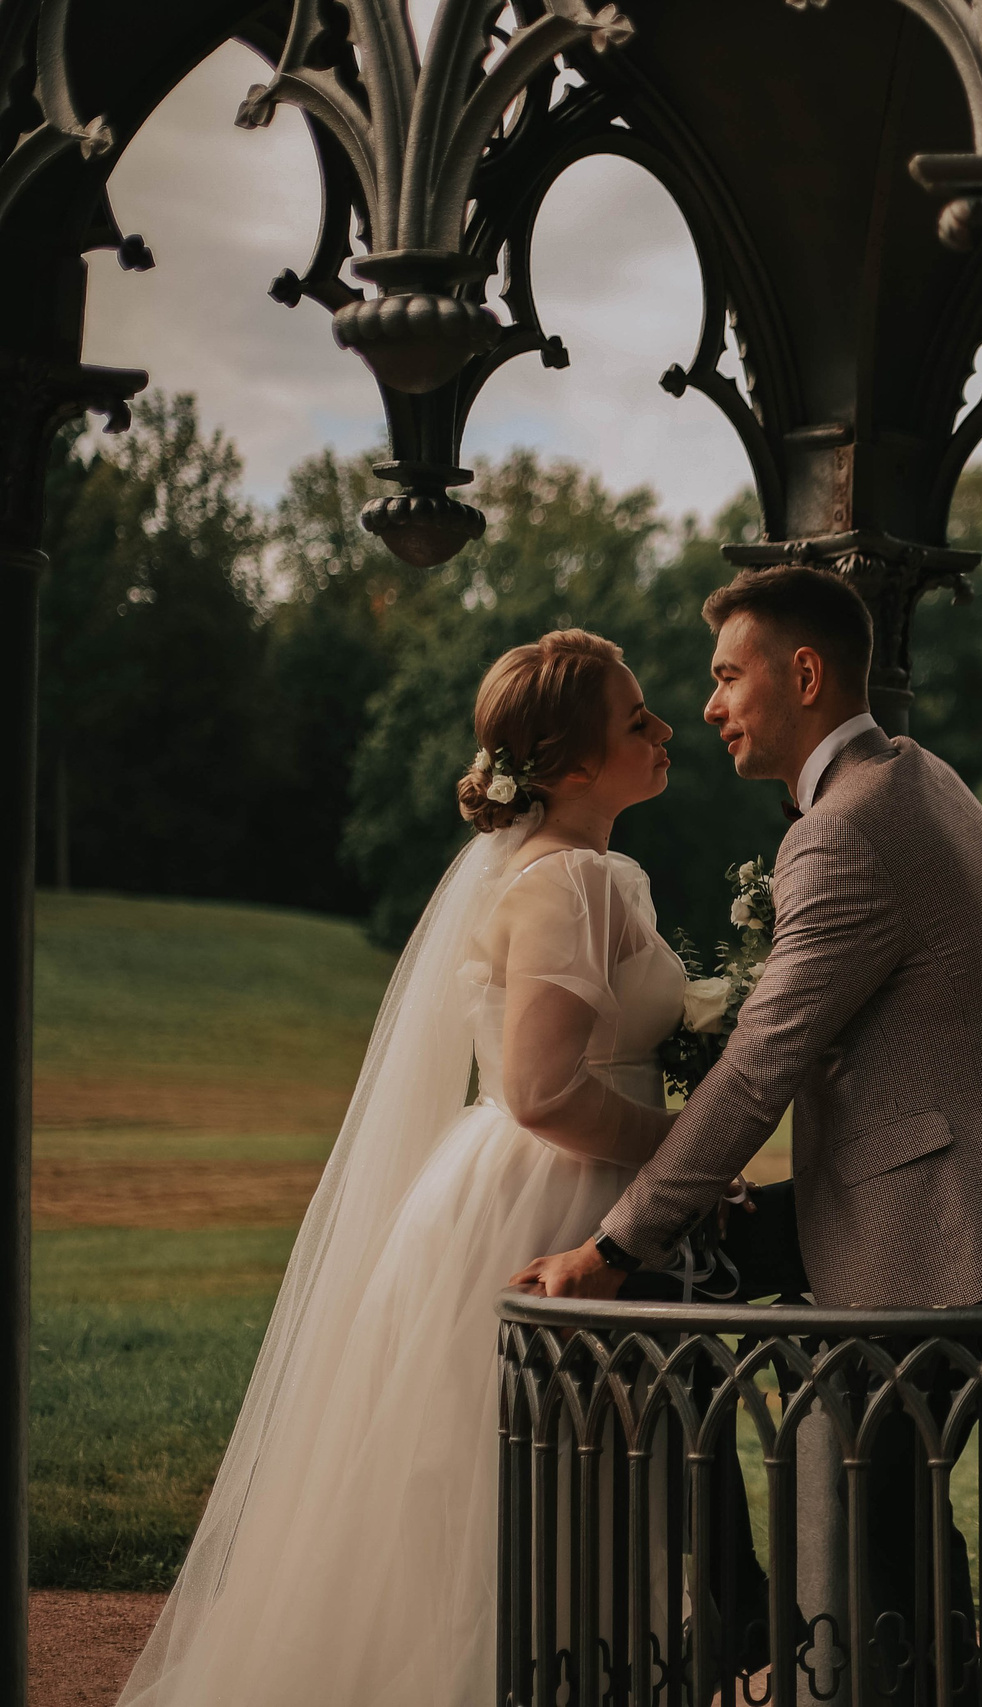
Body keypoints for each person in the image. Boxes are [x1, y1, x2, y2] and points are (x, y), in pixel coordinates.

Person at [119, 629, 686, 1707]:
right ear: (569, 769)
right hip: (546, 1192)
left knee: (519, 1485)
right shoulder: (570, 883)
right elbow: (543, 1092)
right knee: (516, 1491)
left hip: (511, 1182)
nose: (662, 731)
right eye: (635, 720)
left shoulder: (584, 874)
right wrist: (686, 1155)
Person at [513, 566, 982, 1703]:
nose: (709, 706)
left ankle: (777, 1620)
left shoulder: (846, 828)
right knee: (721, 1315)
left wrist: (610, 1246)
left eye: (725, 677)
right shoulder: (914, 778)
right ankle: (743, 1599)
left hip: (939, 1221)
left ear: (801, 675)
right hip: (956, 1188)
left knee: (871, 1487)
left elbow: (763, 1064)